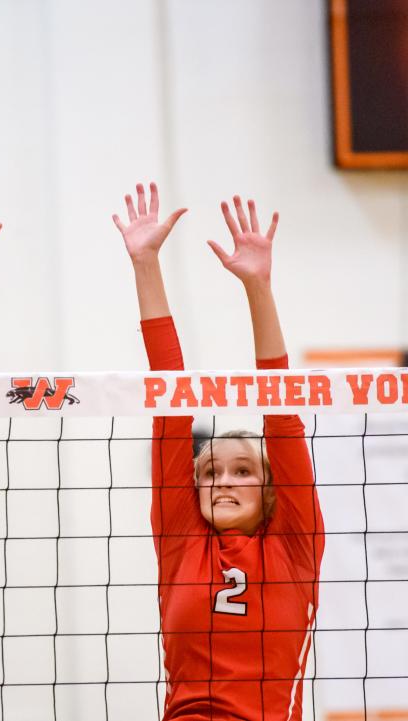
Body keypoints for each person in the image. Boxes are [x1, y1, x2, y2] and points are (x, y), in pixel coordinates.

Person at [112, 183, 324, 720]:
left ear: (273, 490)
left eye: (243, 469)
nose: (224, 479)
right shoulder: (182, 539)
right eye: (210, 471)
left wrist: (259, 286)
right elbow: (169, 396)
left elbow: (282, 415)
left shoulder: (295, 546)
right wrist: (145, 265)